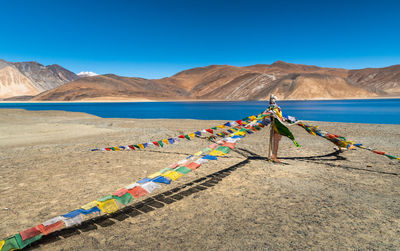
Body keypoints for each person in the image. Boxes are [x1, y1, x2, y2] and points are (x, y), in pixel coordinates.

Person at [266, 94, 283, 163]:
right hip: (276, 126)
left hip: (277, 125)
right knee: (276, 141)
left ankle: (273, 155)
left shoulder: (274, 108)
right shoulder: (274, 108)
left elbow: (279, 116)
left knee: (276, 141)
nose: (271, 101)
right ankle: (273, 156)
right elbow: (278, 116)